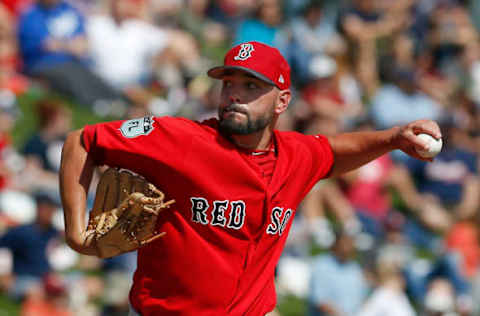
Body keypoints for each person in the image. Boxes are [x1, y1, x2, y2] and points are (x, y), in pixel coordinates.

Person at [59, 41, 442, 316]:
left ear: (282, 101)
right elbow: (82, 140)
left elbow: (335, 151)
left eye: (251, 86)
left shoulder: (297, 155)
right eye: (229, 84)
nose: (234, 96)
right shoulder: (180, 139)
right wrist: (76, 230)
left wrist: (392, 138)